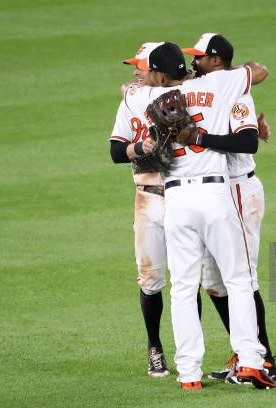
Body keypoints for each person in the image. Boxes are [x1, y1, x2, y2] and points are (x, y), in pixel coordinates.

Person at [134, 42, 276, 390]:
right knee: (239, 279)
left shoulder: (148, 100)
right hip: (215, 193)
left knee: (183, 287)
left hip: (176, 199)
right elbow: (256, 70)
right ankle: (251, 362)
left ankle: (189, 374)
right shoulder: (219, 83)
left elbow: (146, 156)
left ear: (160, 74)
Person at [183, 33, 276, 383]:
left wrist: (199, 138)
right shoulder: (206, 89)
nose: (193, 62)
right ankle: (244, 351)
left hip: (240, 188)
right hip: (218, 193)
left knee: (244, 278)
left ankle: (263, 359)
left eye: (200, 58)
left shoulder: (236, 90)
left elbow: (247, 139)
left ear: (217, 61)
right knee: (213, 281)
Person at [108, 42, 171, 377]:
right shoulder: (129, 102)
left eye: (139, 67)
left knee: (190, 280)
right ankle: (155, 347)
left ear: (157, 72)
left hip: (184, 197)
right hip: (148, 199)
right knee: (151, 280)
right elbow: (116, 151)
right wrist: (139, 148)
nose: (134, 72)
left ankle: (193, 352)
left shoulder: (182, 96)